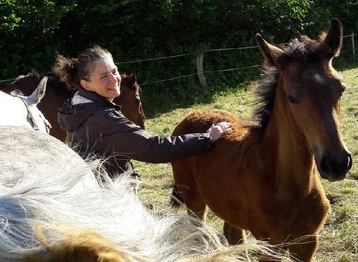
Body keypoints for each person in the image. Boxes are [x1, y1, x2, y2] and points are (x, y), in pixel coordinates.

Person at [56, 45, 230, 179]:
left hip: (92, 190)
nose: (114, 79)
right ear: (86, 84)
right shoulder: (103, 119)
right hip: (112, 199)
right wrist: (207, 138)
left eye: (114, 71)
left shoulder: (75, 106)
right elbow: (153, 148)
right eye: (103, 76)